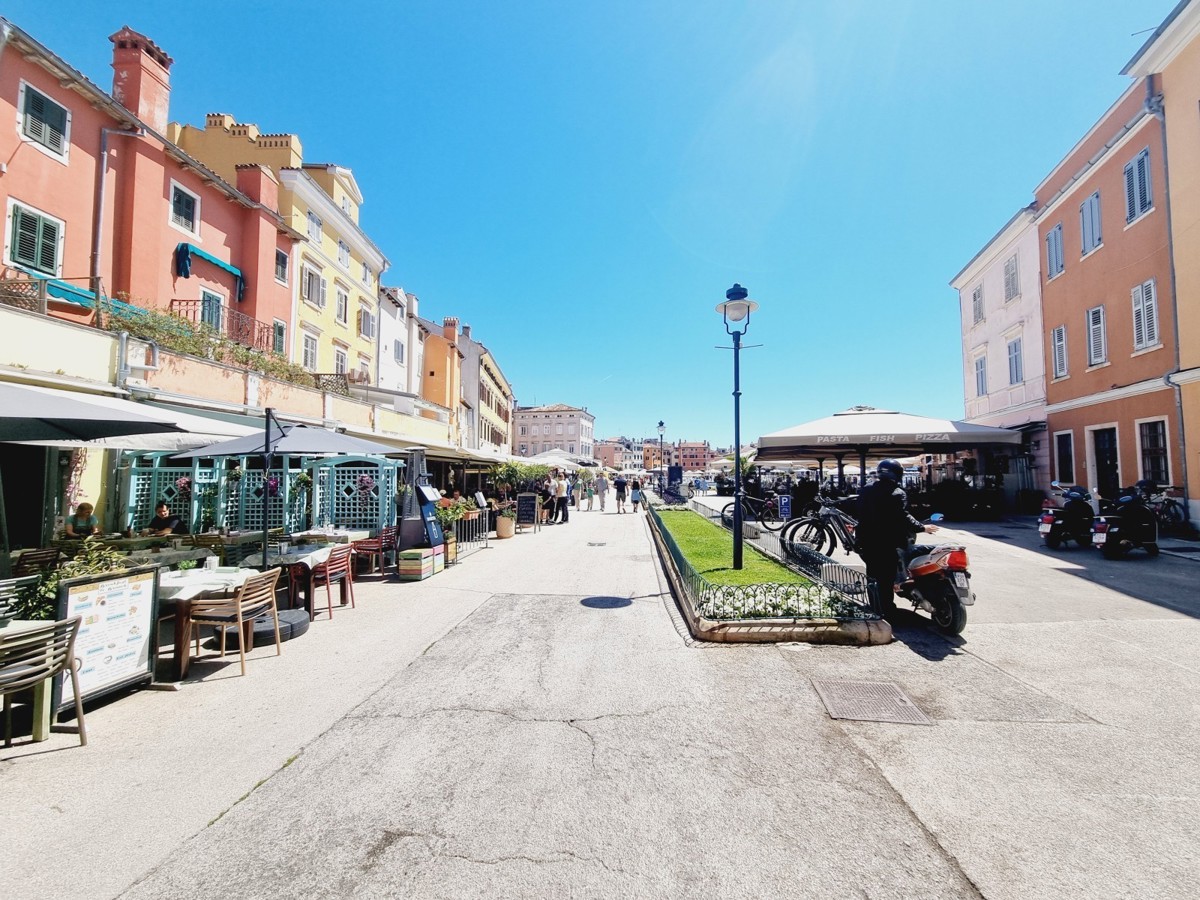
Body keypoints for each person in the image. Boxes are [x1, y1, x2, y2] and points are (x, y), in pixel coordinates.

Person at [853, 459, 937, 617]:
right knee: (886, 578)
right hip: (888, 542)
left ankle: (876, 607)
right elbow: (903, 516)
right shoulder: (897, 493)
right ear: (897, 473)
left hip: (867, 540)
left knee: (873, 575)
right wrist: (922, 527)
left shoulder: (866, 489)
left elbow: (858, 511)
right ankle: (887, 611)